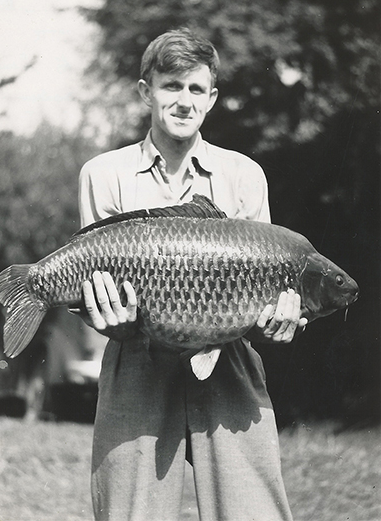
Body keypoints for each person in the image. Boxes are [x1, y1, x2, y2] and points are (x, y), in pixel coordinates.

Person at [76, 28, 307, 521]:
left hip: (230, 363)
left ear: (212, 98)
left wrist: (279, 322)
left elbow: (263, 292)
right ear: (146, 92)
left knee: (254, 513)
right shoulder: (103, 174)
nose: (184, 101)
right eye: (171, 86)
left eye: (196, 89)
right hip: (135, 361)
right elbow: (96, 296)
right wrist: (106, 318)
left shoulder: (245, 174)